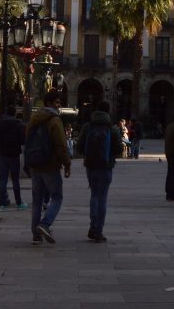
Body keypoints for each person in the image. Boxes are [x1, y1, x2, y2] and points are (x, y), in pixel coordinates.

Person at [25, 90, 71, 244]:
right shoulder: (55, 120)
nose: (59, 105)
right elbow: (61, 144)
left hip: (35, 164)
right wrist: (67, 163)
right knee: (57, 197)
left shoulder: (34, 118)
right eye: (57, 102)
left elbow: (27, 139)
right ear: (50, 103)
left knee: (37, 201)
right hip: (50, 165)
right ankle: (45, 224)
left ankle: (36, 235)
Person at [76, 101, 122, 242]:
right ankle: (98, 230)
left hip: (90, 166)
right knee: (102, 198)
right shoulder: (112, 129)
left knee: (94, 195)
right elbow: (119, 150)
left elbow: (79, 147)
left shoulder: (87, 126)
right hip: (105, 166)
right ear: (108, 112)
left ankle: (93, 226)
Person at [0, 106, 26, 210]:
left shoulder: (0, 124)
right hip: (14, 154)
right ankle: (18, 203)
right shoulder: (18, 124)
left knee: (3, 179)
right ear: (14, 114)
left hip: (3, 154)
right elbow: (22, 140)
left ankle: (3, 203)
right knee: (15, 180)